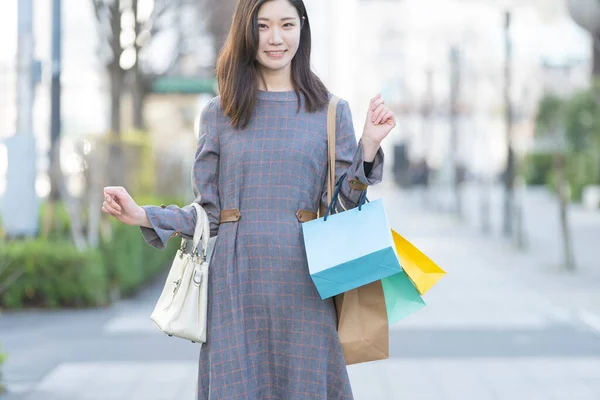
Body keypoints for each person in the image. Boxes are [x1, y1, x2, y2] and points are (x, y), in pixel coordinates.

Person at [101, 0, 396, 398]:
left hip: (306, 287)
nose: (276, 38)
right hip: (236, 287)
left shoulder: (331, 112)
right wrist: (143, 216)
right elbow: (209, 214)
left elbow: (340, 213)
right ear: (246, 30)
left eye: (287, 24)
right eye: (263, 26)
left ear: (302, 28)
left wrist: (367, 148)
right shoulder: (220, 113)